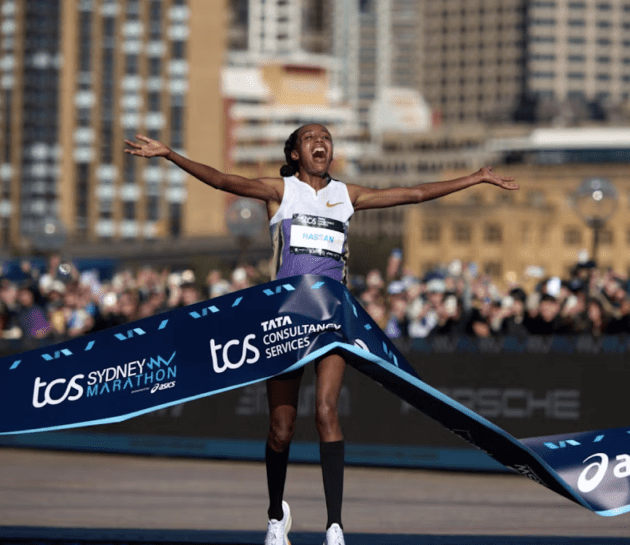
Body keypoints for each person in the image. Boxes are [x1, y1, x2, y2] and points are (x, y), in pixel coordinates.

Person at [125, 124, 517, 545]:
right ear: (295, 153)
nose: (320, 142)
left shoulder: (347, 195)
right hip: (284, 322)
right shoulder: (280, 191)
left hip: (331, 320)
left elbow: (415, 193)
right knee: (281, 428)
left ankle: (334, 526)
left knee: (327, 412)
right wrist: (170, 154)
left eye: (326, 138)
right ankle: (276, 517)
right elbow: (221, 180)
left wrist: (475, 177)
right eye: (311, 138)